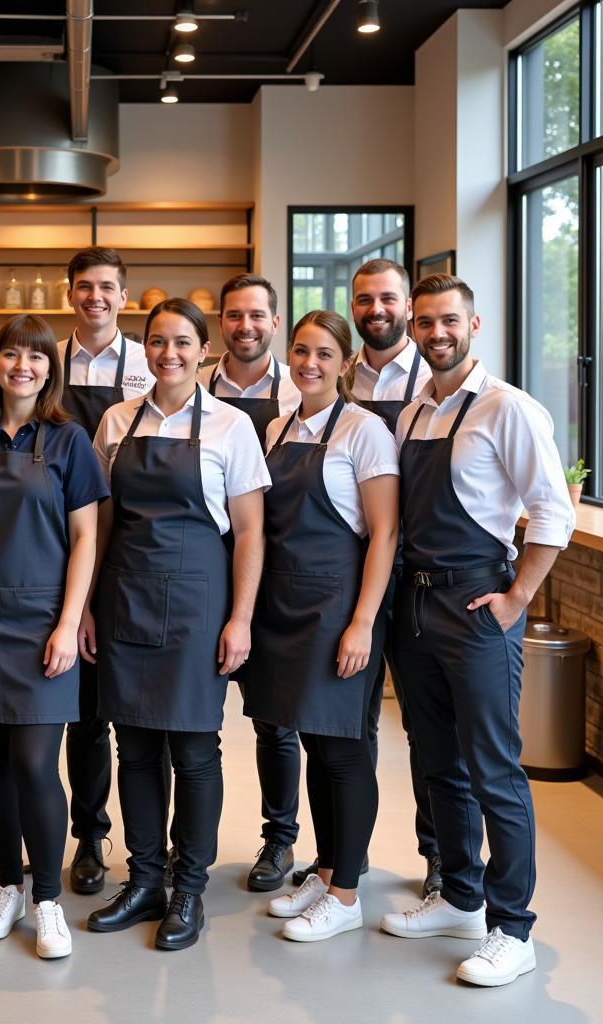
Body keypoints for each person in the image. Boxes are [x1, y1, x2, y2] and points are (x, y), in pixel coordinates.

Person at [382, 274, 574, 987]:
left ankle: (512, 928)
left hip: (476, 603)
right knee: (436, 764)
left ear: (475, 324)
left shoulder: (507, 408)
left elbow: (551, 510)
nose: (436, 332)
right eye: (425, 321)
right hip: (417, 606)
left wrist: (517, 596)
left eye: (448, 320)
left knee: (493, 770)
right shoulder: (412, 414)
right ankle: (459, 894)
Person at [86, 298, 266, 951]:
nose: (169, 353)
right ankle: (144, 882)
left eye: (182, 342)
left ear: (202, 348)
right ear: (145, 348)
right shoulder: (116, 420)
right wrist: (83, 604)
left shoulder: (231, 425)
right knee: (131, 748)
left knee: (192, 751)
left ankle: (189, 888)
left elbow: (249, 532)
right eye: (158, 342)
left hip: (198, 603)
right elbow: (101, 523)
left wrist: (240, 617)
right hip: (125, 594)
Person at [0, 314, 106, 959]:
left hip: (41, 623)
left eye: (35, 358)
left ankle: (49, 899)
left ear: (49, 369)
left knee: (34, 763)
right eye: (10, 355)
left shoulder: (68, 441)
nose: (22, 367)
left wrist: (68, 621)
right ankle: (8, 885)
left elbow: (87, 536)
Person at [243, 309, 398, 942]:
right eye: (301, 351)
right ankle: (327, 865)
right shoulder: (277, 428)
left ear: (345, 363)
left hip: (338, 608)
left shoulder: (365, 431)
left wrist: (362, 621)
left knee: (342, 748)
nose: (310, 364)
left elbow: (384, 532)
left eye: (325, 355)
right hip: (284, 606)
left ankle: (346, 893)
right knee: (312, 741)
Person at [292, 258, 439, 892]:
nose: (375, 308)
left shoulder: (436, 377)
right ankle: (340, 864)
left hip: (421, 569)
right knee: (340, 735)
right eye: (363, 300)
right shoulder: (312, 403)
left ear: (406, 305)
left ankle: (441, 865)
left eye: (386, 299)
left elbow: (386, 522)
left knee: (430, 732)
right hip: (344, 582)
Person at [196, 274, 301, 894]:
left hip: (278, 575)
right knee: (197, 719)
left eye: (257, 315)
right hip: (206, 574)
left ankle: (279, 839)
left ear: (274, 321)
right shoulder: (197, 393)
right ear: (220, 323)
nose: (245, 326)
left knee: (275, 719)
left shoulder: (301, 391)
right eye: (234, 315)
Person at [57, 246, 154, 895]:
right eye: (85, 286)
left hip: (138, 552)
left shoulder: (154, 366)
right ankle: (89, 838)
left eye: (108, 288)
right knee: (85, 716)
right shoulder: (44, 360)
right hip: (60, 544)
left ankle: (153, 845)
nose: (96, 297)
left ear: (126, 296)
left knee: (143, 716)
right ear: (70, 293)